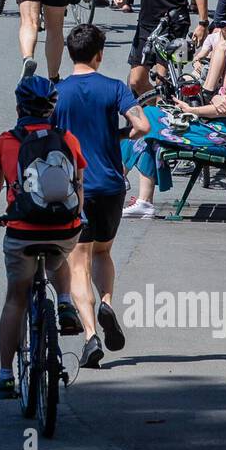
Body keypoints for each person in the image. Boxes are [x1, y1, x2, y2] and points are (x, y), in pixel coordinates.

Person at [0, 76, 86, 399]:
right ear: (52, 108)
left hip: (23, 231)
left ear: (18, 107)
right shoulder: (68, 139)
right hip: (64, 228)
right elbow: (78, 185)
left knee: (16, 297)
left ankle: (6, 374)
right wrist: (75, 217)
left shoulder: (6, 142)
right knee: (59, 255)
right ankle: (65, 303)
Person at [52, 25, 149, 368]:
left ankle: (91, 334)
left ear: (69, 53)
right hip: (110, 184)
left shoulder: (58, 92)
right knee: (104, 252)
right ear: (99, 54)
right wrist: (119, 134)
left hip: (73, 187)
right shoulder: (115, 88)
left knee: (78, 261)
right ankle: (107, 300)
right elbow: (143, 126)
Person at [122, 13, 226, 218]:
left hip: (223, 137)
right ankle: (141, 199)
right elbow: (222, 102)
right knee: (150, 126)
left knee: (149, 118)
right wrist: (215, 101)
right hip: (221, 130)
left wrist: (191, 110)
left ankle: (117, 179)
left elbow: (223, 107)